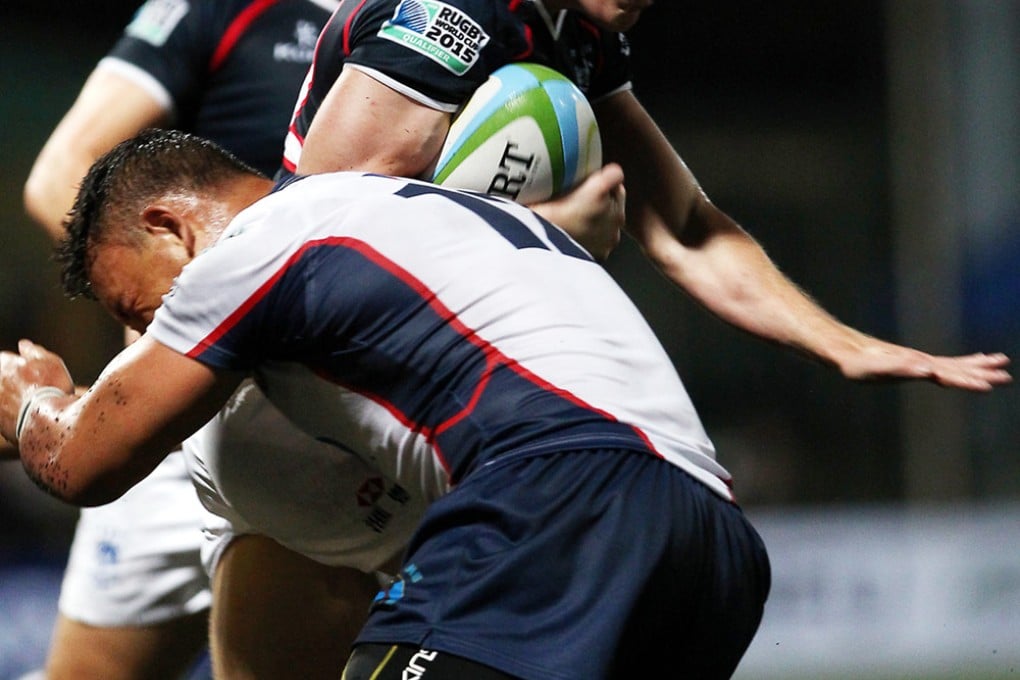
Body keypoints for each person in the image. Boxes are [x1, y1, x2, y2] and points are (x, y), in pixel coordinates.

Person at [1, 131, 1011, 678]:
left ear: (174, 227)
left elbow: (88, 460)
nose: (162, 332)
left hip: (562, 497)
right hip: (713, 542)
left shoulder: (260, 248)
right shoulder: (432, 212)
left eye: (149, 303)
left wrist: (33, 402)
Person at [281, 0, 1008, 391]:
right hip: (308, 387)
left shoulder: (577, 38)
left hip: (384, 378)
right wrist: (543, 232)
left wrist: (845, 347)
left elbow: (686, 227)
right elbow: (317, 238)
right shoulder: (455, 14)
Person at [16, 1, 410, 678]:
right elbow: (60, 175)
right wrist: (175, 330)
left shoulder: (443, 28)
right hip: (183, 408)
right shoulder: (221, 10)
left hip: (320, 432)